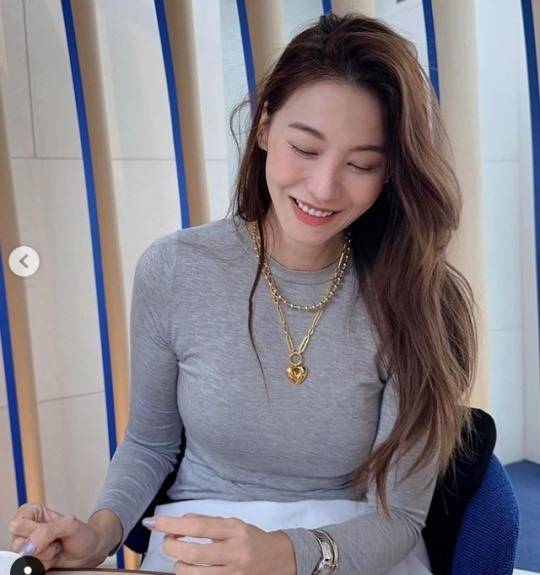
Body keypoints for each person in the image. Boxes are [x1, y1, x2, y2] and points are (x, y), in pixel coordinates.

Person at [8, 12, 478, 575]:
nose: (324, 187)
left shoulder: (422, 297)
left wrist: (284, 553)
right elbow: (150, 444)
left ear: (391, 172)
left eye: (362, 164)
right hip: (201, 536)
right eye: (305, 149)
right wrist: (98, 535)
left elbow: (398, 519)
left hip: (345, 547)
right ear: (264, 129)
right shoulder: (176, 268)